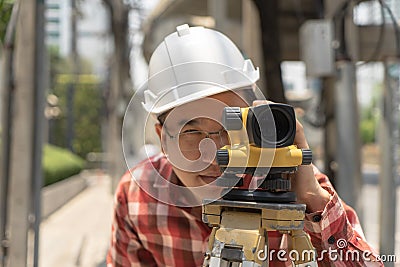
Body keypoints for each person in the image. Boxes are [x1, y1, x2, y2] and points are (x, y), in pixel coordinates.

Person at [107, 24, 382, 267]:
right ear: (162, 138)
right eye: (192, 131)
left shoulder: (290, 182)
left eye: (230, 127)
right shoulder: (136, 197)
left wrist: (311, 200)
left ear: (252, 120)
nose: (215, 156)